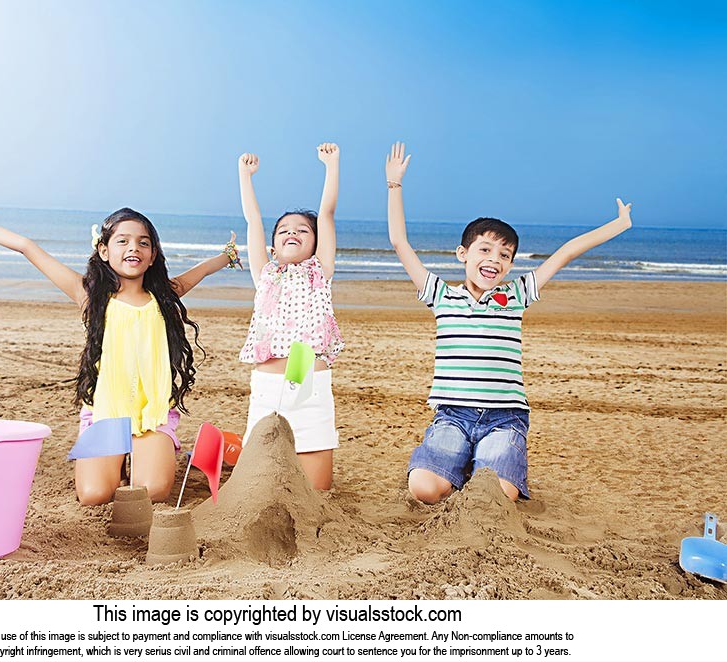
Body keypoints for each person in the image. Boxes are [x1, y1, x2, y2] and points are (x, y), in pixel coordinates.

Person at [0, 186, 240, 505]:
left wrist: (228, 255)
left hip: (153, 413)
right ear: (103, 250)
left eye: (144, 243)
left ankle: (137, 460)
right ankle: (120, 465)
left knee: (152, 492)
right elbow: (26, 247)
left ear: (153, 254)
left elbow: (206, 268)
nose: (134, 248)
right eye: (123, 241)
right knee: (94, 495)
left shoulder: (166, 295)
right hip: (106, 412)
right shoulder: (90, 295)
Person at [385, 142, 632, 502]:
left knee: (498, 497)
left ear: (511, 265)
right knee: (423, 490)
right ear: (463, 254)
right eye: (485, 250)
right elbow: (398, 242)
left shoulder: (516, 295)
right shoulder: (440, 295)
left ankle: (480, 464)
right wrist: (394, 185)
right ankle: (463, 464)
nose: (494, 260)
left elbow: (565, 252)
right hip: (453, 414)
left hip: (505, 417)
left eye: (505, 255)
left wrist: (619, 224)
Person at [237, 144, 344, 490]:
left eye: (302, 230)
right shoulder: (264, 274)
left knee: (316, 491)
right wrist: (245, 176)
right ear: (273, 247)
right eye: (283, 231)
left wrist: (331, 166)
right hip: (268, 391)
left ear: (315, 243)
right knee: (259, 485)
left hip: (311, 389)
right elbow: (253, 220)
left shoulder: (320, 272)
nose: (292, 233)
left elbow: (326, 213)